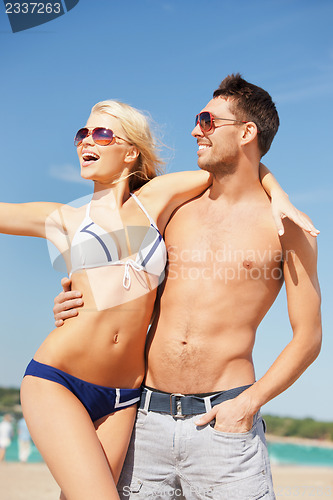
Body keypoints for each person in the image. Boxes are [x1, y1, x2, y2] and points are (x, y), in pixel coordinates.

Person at [0, 98, 301, 499]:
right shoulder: (64, 219)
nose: (86, 141)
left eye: (102, 133)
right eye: (82, 134)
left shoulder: (156, 200)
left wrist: (276, 192)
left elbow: (236, 164)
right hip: (59, 380)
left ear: (130, 153)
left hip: (126, 400)